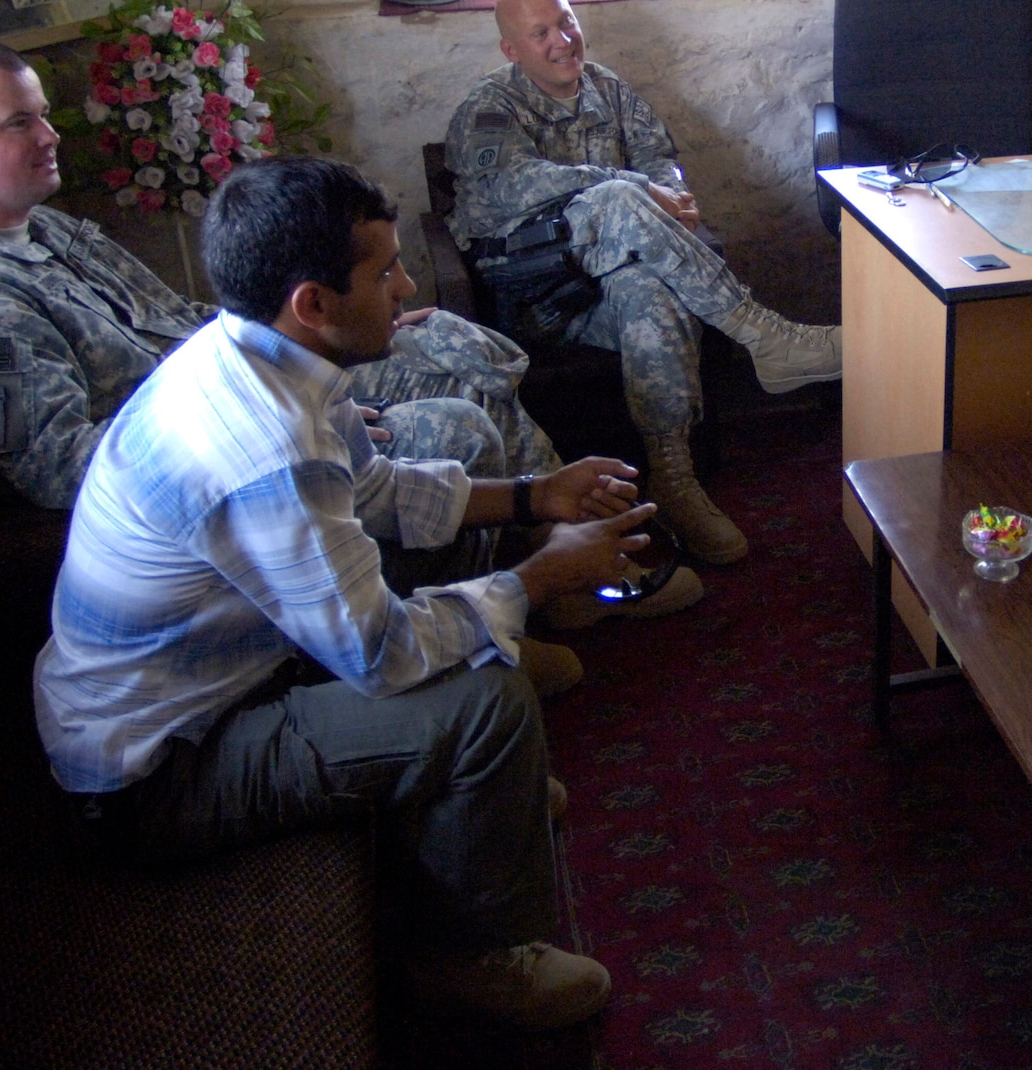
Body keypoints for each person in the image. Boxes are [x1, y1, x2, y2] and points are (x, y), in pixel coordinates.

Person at [35, 157, 644, 1029]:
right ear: (313, 302)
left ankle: (479, 806)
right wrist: (545, 573)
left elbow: (375, 489)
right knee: (488, 702)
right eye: (384, 271)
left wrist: (532, 495)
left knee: (458, 612)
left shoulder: (255, 351)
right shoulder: (261, 446)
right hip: (157, 773)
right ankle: (468, 956)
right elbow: (384, 654)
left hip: (213, 682)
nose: (404, 286)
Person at [0, 37, 700, 633]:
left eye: (44, 115)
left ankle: (543, 555)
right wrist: (290, 414)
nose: (50, 136)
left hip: (234, 394)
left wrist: (332, 342)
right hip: (214, 457)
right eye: (19, 123)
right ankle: (530, 588)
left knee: (447, 336)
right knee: (454, 421)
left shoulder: (46, 232)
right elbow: (60, 472)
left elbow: (194, 326)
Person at [443, 0, 842, 564]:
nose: (563, 40)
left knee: (648, 290)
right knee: (619, 199)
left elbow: (661, 161)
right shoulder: (490, 108)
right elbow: (501, 189)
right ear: (511, 50)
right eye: (541, 33)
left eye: (566, 22)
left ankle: (674, 479)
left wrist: (674, 197)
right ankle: (766, 336)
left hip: (612, 286)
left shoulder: (608, 89)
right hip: (540, 296)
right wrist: (629, 185)